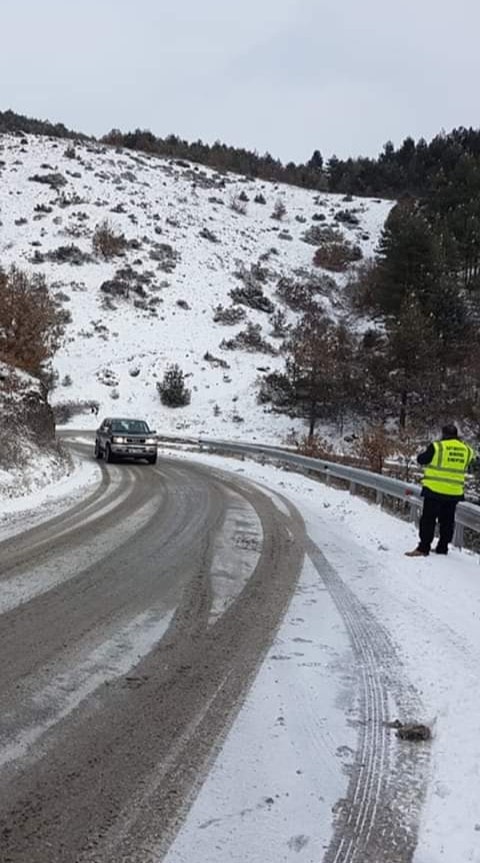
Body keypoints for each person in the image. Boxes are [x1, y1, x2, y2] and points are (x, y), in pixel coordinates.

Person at [405, 424, 476, 557]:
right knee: (448, 521)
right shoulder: (467, 450)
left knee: (428, 519)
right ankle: (442, 548)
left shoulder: (438, 447)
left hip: (434, 490)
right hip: (454, 492)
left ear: (444, 434)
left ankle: (423, 548)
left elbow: (422, 459)